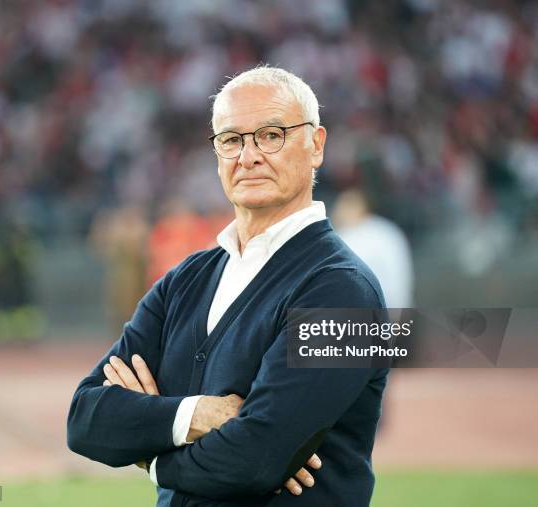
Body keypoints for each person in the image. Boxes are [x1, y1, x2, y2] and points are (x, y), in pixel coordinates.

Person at [67, 66, 388, 507]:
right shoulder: (186, 279)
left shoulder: (348, 294)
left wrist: (152, 455)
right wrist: (196, 415)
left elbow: (256, 459)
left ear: (316, 145)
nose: (249, 155)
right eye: (231, 140)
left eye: (271, 135)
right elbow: (85, 418)